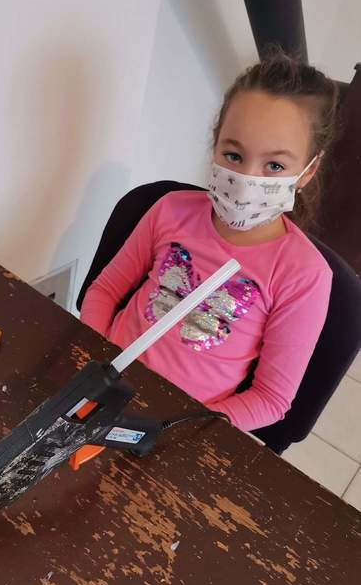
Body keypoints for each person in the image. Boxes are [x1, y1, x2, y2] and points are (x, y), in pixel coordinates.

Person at [80, 51, 339, 433]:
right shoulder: (170, 210)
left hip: (178, 427)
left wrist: (178, 426)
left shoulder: (304, 275)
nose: (247, 179)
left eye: (275, 166)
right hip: (100, 383)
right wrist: (94, 361)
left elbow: (271, 399)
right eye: (233, 155)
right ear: (215, 144)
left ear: (308, 170)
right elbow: (105, 290)